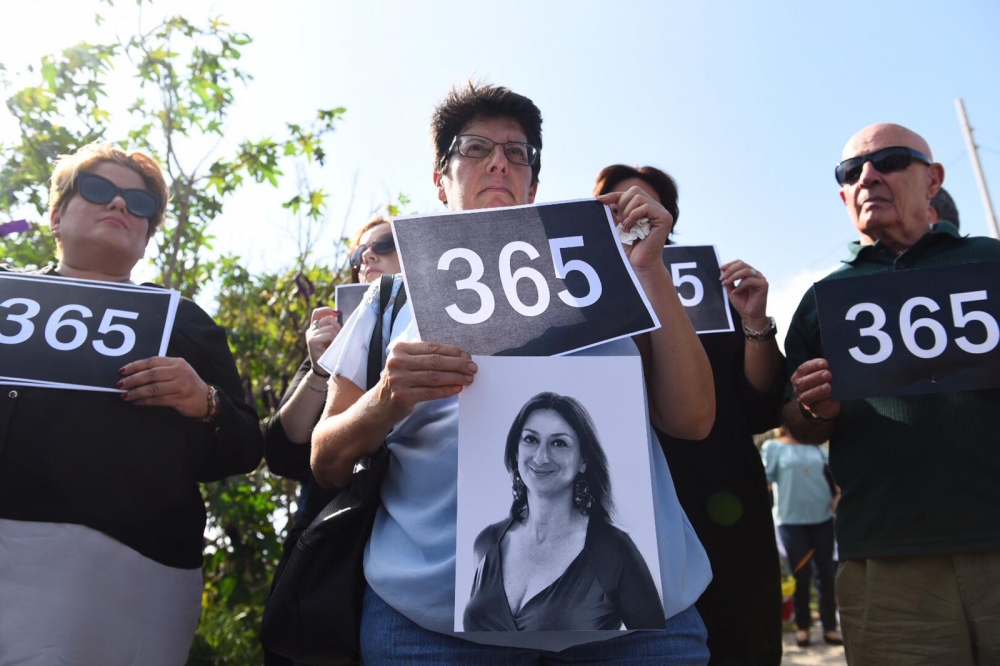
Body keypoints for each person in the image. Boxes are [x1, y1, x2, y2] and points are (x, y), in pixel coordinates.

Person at [311, 82, 716, 664]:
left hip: (638, 626)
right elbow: (325, 458)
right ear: (439, 179)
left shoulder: (613, 275)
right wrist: (385, 400)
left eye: (518, 152)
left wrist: (651, 272)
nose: (500, 161)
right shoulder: (388, 302)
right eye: (475, 149)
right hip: (434, 633)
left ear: (534, 183)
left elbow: (693, 419)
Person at [0, 142, 263, 664]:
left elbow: (245, 448)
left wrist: (205, 402)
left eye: (139, 204)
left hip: (134, 580)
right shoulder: (9, 302)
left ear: (145, 240)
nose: (120, 205)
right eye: (98, 191)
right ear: (55, 217)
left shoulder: (184, 321)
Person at [784, 123, 1000, 665]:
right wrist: (816, 406)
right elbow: (799, 425)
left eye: (891, 160)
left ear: (933, 180)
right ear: (842, 195)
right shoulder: (820, 301)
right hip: (886, 569)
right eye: (851, 171)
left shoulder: (990, 262)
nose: (868, 177)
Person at [594, 164, 784, 665]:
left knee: (741, 638)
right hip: (633, 496)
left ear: (667, 218)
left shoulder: (711, 285)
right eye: (613, 201)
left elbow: (758, 403)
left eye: (641, 201)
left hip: (721, 491)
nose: (628, 209)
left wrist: (756, 323)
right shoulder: (576, 285)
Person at [463, 392, 665, 632]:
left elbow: (654, 648)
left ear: (583, 461)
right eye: (530, 439)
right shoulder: (487, 542)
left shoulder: (614, 551)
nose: (541, 456)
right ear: (516, 452)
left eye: (559, 443)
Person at [263, 215, 399, 528]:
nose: (366, 256)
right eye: (358, 253)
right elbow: (281, 453)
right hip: (333, 530)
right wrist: (320, 369)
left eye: (385, 244)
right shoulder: (336, 338)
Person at [761, 428, 840, 648]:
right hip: (791, 522)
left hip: (823, 519)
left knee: (826, 573)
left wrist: (838, 496)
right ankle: (803, 627)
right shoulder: (773, 447)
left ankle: (830, 627)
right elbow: (764, 481)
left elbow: (833, 475)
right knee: (801, 575)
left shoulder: (816, 445)